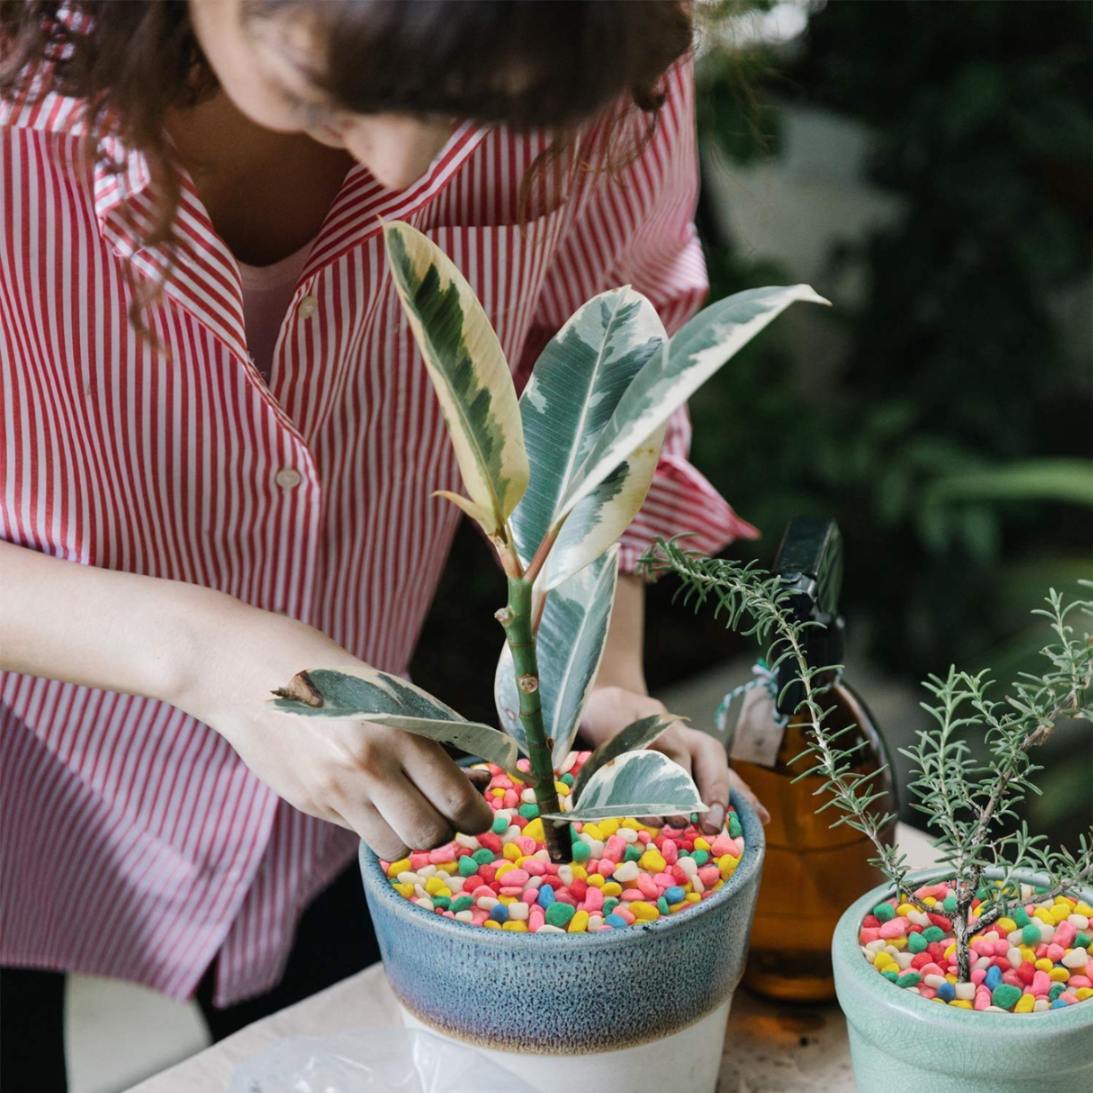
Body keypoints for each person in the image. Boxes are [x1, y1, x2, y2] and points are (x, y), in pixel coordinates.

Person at [0, 1, 767, 1086]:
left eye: (480, 111)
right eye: (325, 95)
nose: (415, 166)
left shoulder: (593, 37)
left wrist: (601, 669)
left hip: (323, 814)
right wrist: (204, 652)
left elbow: (607, 375)